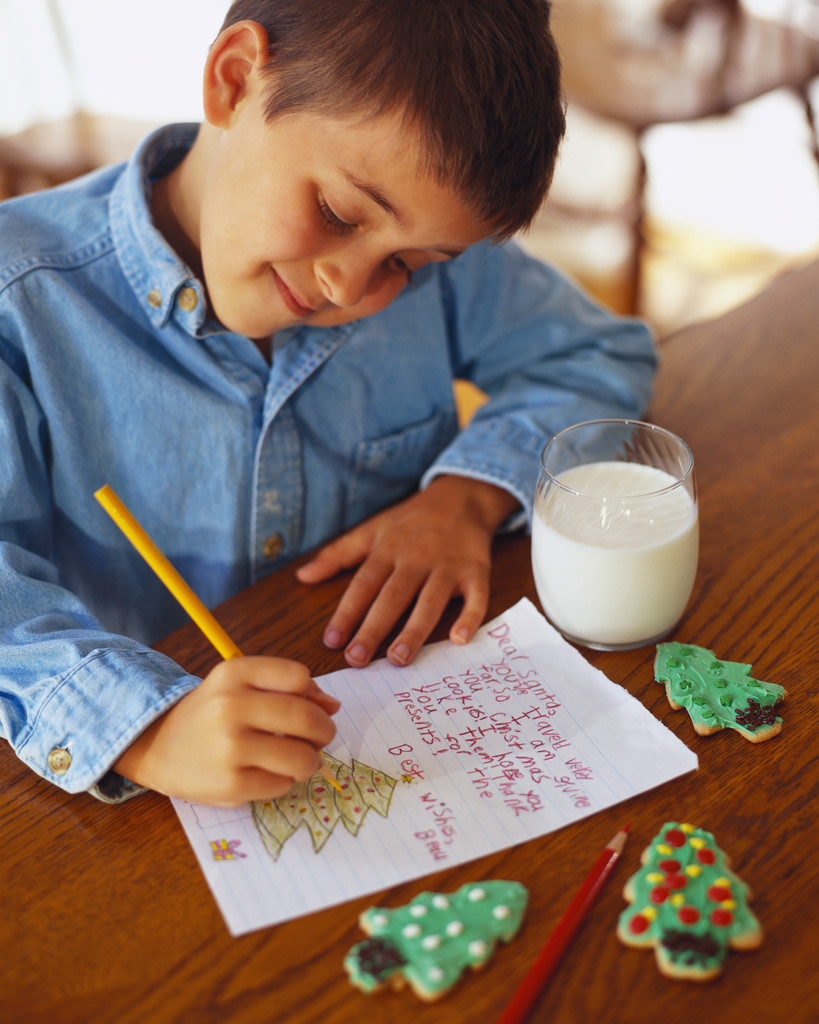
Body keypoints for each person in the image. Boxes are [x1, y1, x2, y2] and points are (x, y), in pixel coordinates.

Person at [0, 0, 656, 808]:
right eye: (338, 214)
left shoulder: (436, 259)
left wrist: (468, 496)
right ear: (235, 79)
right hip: (131, 810)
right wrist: (145, 729)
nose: (353, 286)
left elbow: (598, 351)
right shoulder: (18, 304)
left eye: (408, 264)